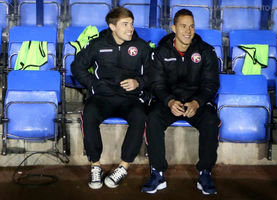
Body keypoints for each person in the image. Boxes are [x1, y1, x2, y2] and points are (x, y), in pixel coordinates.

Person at [141, 9, 220, 195]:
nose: (188, 31)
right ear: (173, 28)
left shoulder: (206, 51)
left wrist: (197, 102)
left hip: (196, 103)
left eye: (191, 26)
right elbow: (156, 83)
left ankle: (205, 172)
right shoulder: (161, 52)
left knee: (210, 121)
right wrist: (169, 101)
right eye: (183, 26)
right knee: (152, 119)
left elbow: (211, 84)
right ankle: (157, 172)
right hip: (168, 101)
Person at [71, 7, 151, 190]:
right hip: (103, 96)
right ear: (112, 27)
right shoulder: (97, 45)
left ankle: (123, 167)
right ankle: (95, 166)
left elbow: (154, 75)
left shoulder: (141, 47)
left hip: (130, 98)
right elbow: (77, 67)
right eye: (125, 24)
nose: (130, 28)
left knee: (140, 117)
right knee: (89, 113)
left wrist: (138, 83)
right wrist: (93, 84)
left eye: (131, 23)